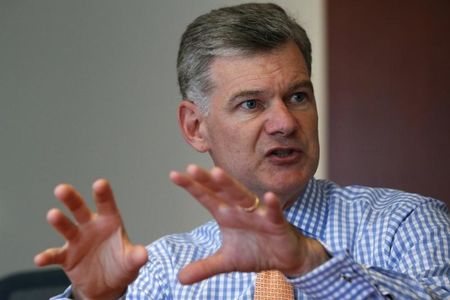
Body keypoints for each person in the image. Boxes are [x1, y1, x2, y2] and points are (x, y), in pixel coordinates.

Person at [34, 3, 449, 299]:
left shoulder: (405, 225)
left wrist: (311, 265)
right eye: (252, 104)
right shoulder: (162, 271)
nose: (285, 122)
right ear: (196, 128)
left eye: (298, 96)